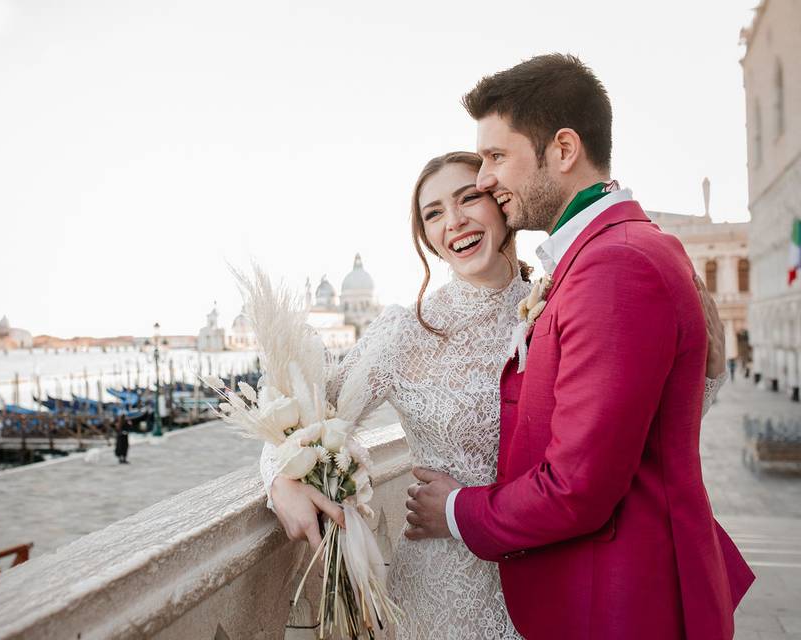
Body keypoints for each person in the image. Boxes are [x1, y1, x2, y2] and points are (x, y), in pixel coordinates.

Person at [261, 149, 727, 637]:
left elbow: (629, 431)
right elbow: (304, 413)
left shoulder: (564, 300)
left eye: (469, 198)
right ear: (427, 239)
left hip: (559, 574)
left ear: (502, 205)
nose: (455, 221)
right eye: (434, 214)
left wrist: (707, 371)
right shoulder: (403, 332)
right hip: (444, 593)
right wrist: (280, 480)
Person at [405, 54, 754, 639]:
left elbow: (577, 489)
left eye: (496, 156)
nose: (485, 179)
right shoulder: (608, 254)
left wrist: (455, 510)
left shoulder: (614, 267)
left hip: (621, 606)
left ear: (563, 150)